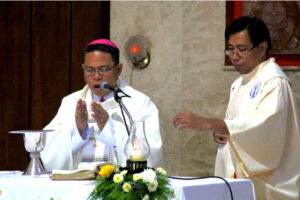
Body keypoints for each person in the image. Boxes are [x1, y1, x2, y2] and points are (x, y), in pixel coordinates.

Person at [172, 16, 300, 200]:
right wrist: (222, 131)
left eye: (241, 49)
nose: (234, 56)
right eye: (230, 49)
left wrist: (210, 123)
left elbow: (264, 129)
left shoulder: (274, 82)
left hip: (269, 188)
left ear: (262, 48)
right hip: (239, 182)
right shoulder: (240, 83)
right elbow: (238, 128)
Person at [41, 39, 163, 171]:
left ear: (118, 69)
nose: (96, 76)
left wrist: (109, 130)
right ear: (83, 69)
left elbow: (151, 151)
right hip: (75, 183)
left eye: (103, 69)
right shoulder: (70, 103)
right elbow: (48, 149)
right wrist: (78, 131)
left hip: (118, 187)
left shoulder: (139, 103)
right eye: (89, 70)